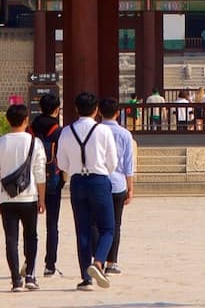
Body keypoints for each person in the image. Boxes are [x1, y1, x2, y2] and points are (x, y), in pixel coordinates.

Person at [56, 92, 121, 291]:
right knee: (108, 228)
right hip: (99, 180)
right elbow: (113, 162)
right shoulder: (103, 131)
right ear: (96, 111)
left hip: (77, 182)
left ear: (76, 109)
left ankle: (86, 277)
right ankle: (99, 262)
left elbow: (61, 163)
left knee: (83, 229)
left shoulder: (66, 131)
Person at [0, 105, 46, 292]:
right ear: (26, 119)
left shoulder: (0, 143)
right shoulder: (34, 142)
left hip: (7, 198)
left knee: (11, 239)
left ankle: (15, 280)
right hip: (29, 197)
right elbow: (40, 173)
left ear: (7, 120)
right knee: (31, 236)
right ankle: (30, 274)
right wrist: (42, 198)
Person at [99, 99, 139, 275]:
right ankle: (112, 261)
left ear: (100, 112)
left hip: (98, 181)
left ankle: (97, 258)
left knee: (97, 223)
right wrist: (131, 187)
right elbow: (129, 163)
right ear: (117, 113)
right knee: (115, 223)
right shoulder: (124, 134)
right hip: (118, 183)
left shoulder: (96, 132)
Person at [29, 95, 66, 278]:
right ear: (57, 109)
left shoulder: (31, 128)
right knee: (52, 224)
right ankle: (50, 265)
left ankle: (29, 264)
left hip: (31, 182)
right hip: (52, 180)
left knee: (30, 227)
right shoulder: (58, 132)